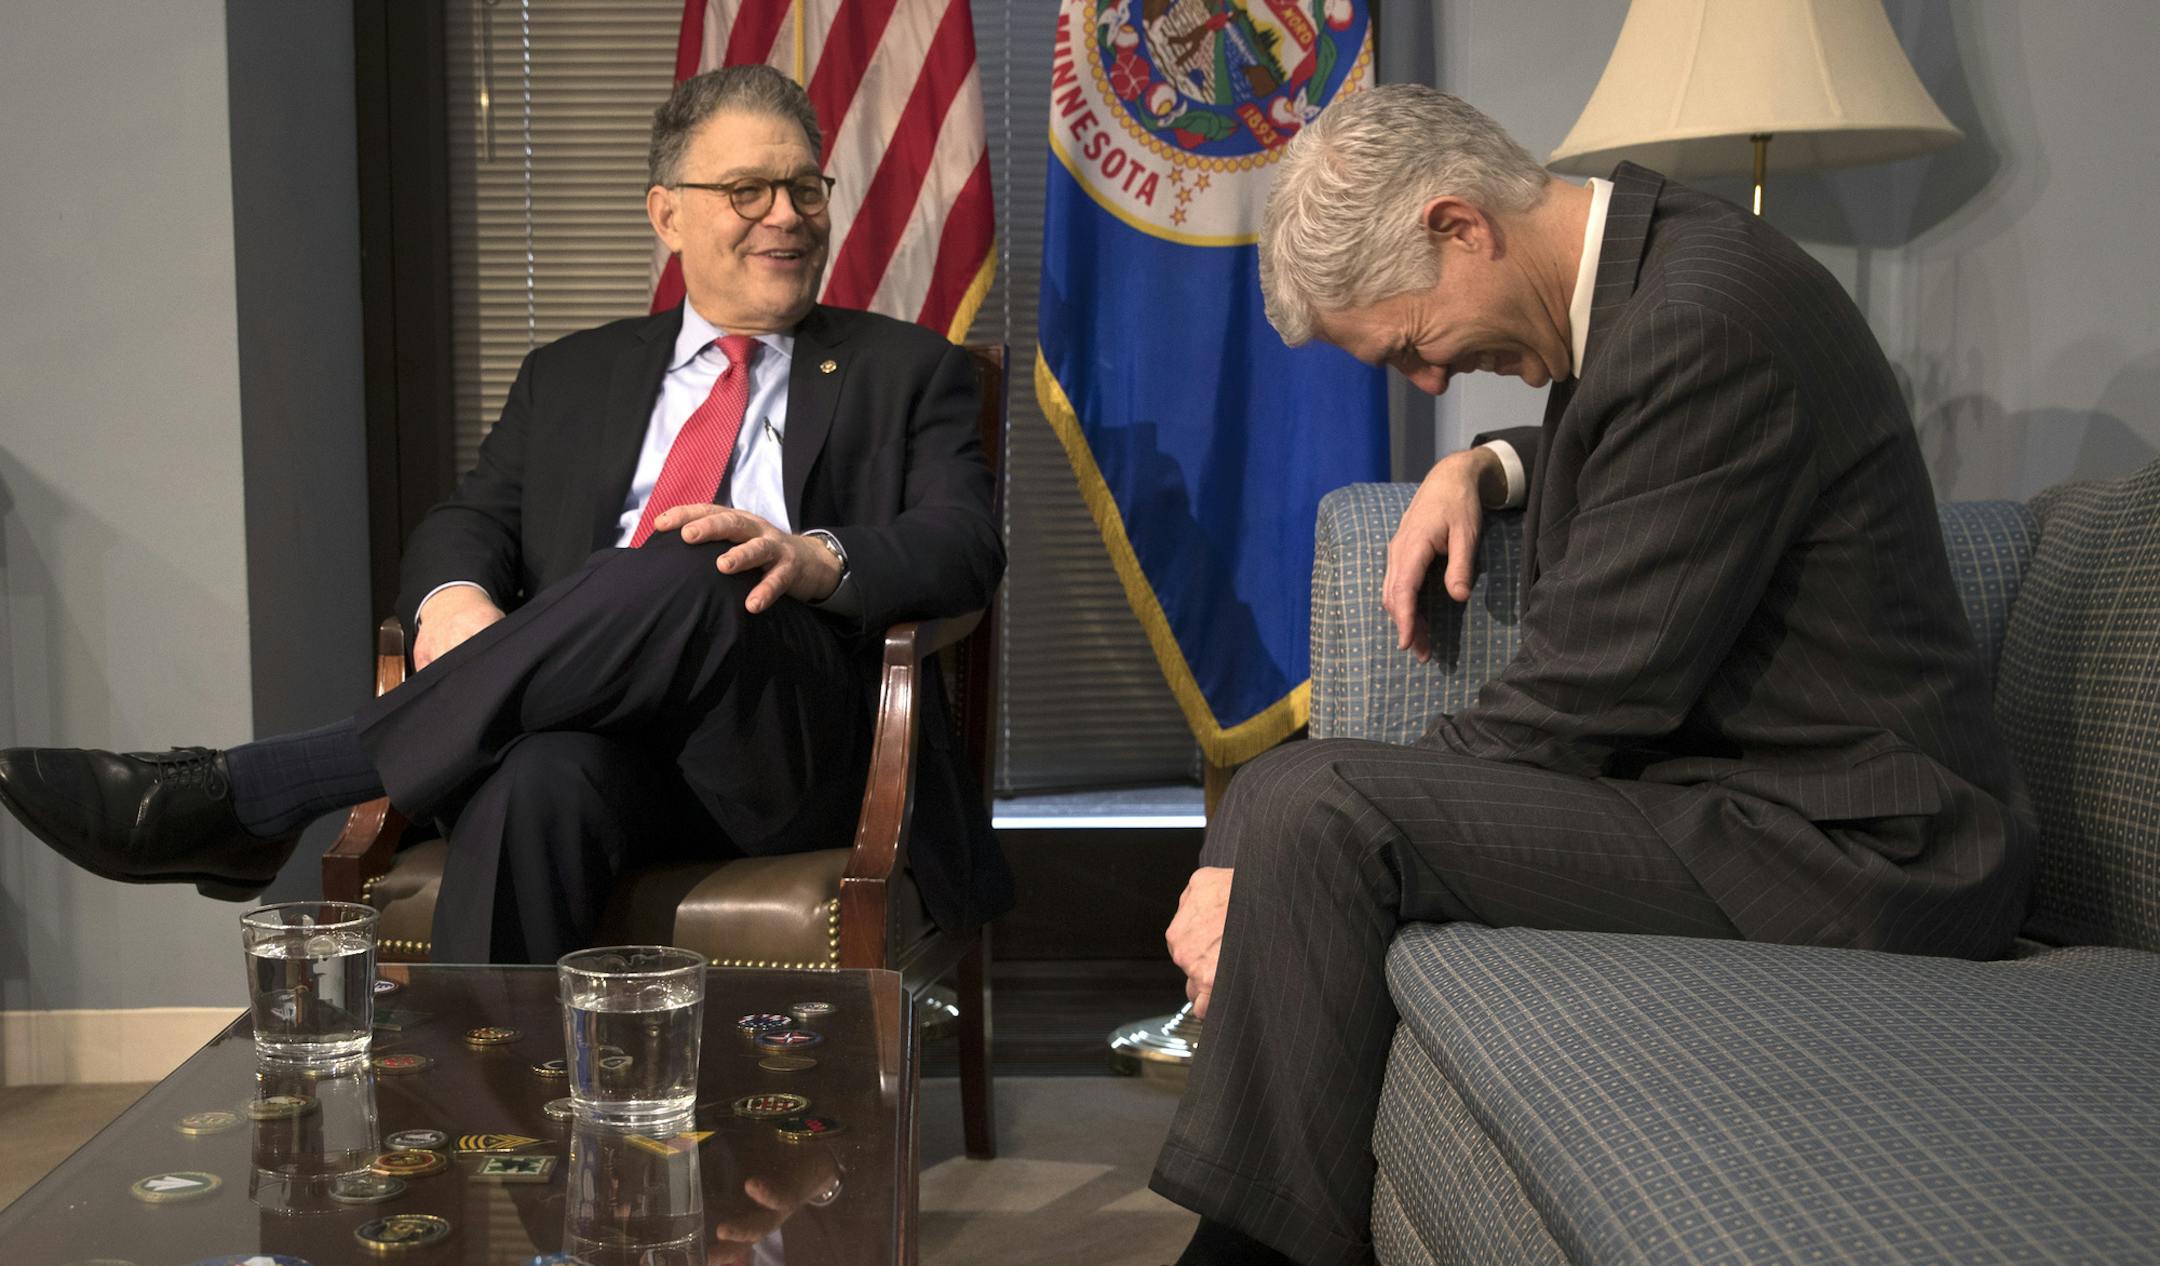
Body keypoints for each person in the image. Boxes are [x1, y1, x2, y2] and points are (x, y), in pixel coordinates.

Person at [1150, 85, 2034, 1266]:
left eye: (1413, 346)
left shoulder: (1705, 325)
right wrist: (1490, 468)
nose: (1428, 383)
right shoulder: (1656, 283)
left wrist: (1255, 842)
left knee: (1316, 805)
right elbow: (1633, 451)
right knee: (1291, 793)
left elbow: (1578, 701)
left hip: (1861, 847)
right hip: (1749, 798)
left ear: (1459, 226)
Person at [0, 65, 1010, 964]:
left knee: (699, 555)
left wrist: (817, 554)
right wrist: (452, 599)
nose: (785, 214)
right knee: (538, 783)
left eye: (804, 187)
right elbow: (468, 519)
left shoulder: (907, 368)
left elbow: (962, 547)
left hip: (792, 749)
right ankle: (484, 1136)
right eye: (746, 190)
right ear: (666, 214)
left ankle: (262, 790)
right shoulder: (571, 376)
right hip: (600, 743)